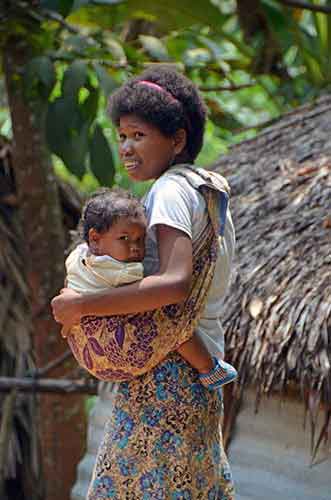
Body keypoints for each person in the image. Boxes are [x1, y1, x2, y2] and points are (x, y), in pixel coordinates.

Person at [52, 65, 235, 499]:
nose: (126, 148)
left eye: (139, 135)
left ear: (177, 140)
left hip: (167, 375)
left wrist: (81, 307)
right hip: (198, 370)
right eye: (122, 136)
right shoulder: (209, 191)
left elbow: (173, 285)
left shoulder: (169, 192)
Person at [66, 186, 237, 390]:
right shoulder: (123, 273)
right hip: (118, 355)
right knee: (171, 317)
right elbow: (160, 291)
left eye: (140, 240)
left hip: (86, 355)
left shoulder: (78, 256)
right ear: (95, 239)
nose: (135, 247)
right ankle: (208, 368)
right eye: (125, 239)